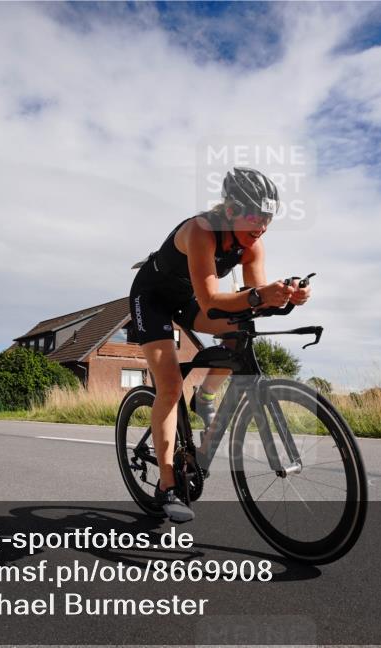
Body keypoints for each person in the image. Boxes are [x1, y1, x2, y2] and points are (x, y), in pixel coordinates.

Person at [129, 167, 311, 522]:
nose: (262, 226)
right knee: (169, 384)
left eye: (269, 218)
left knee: (239, 331)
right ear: (230, 211)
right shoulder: (201, 231)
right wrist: (260, 296)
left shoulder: (253, 246)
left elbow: (249, 299)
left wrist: (287, 297)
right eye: (256, 217)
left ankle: (205, 397)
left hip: (188, 300)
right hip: (152, 299)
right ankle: (167, 485)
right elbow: (212, 298)